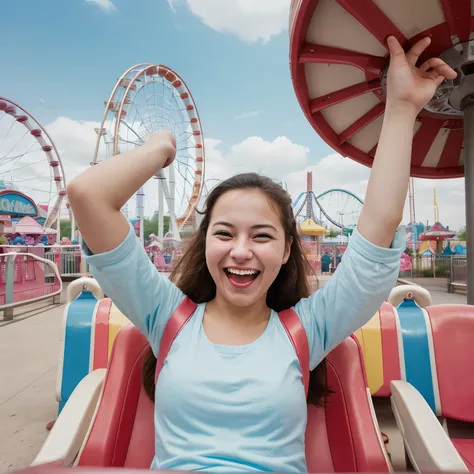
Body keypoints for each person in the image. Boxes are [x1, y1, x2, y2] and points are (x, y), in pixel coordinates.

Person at [67, 36, 456, 473]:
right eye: (225, 233)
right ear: (205, 241)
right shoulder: (165, 317)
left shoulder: (307, 330)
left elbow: (379, 226)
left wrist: (402, 107)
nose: (241, 251)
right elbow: (88, 196)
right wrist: (161, 149)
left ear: (288, 248)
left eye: (262, 236)